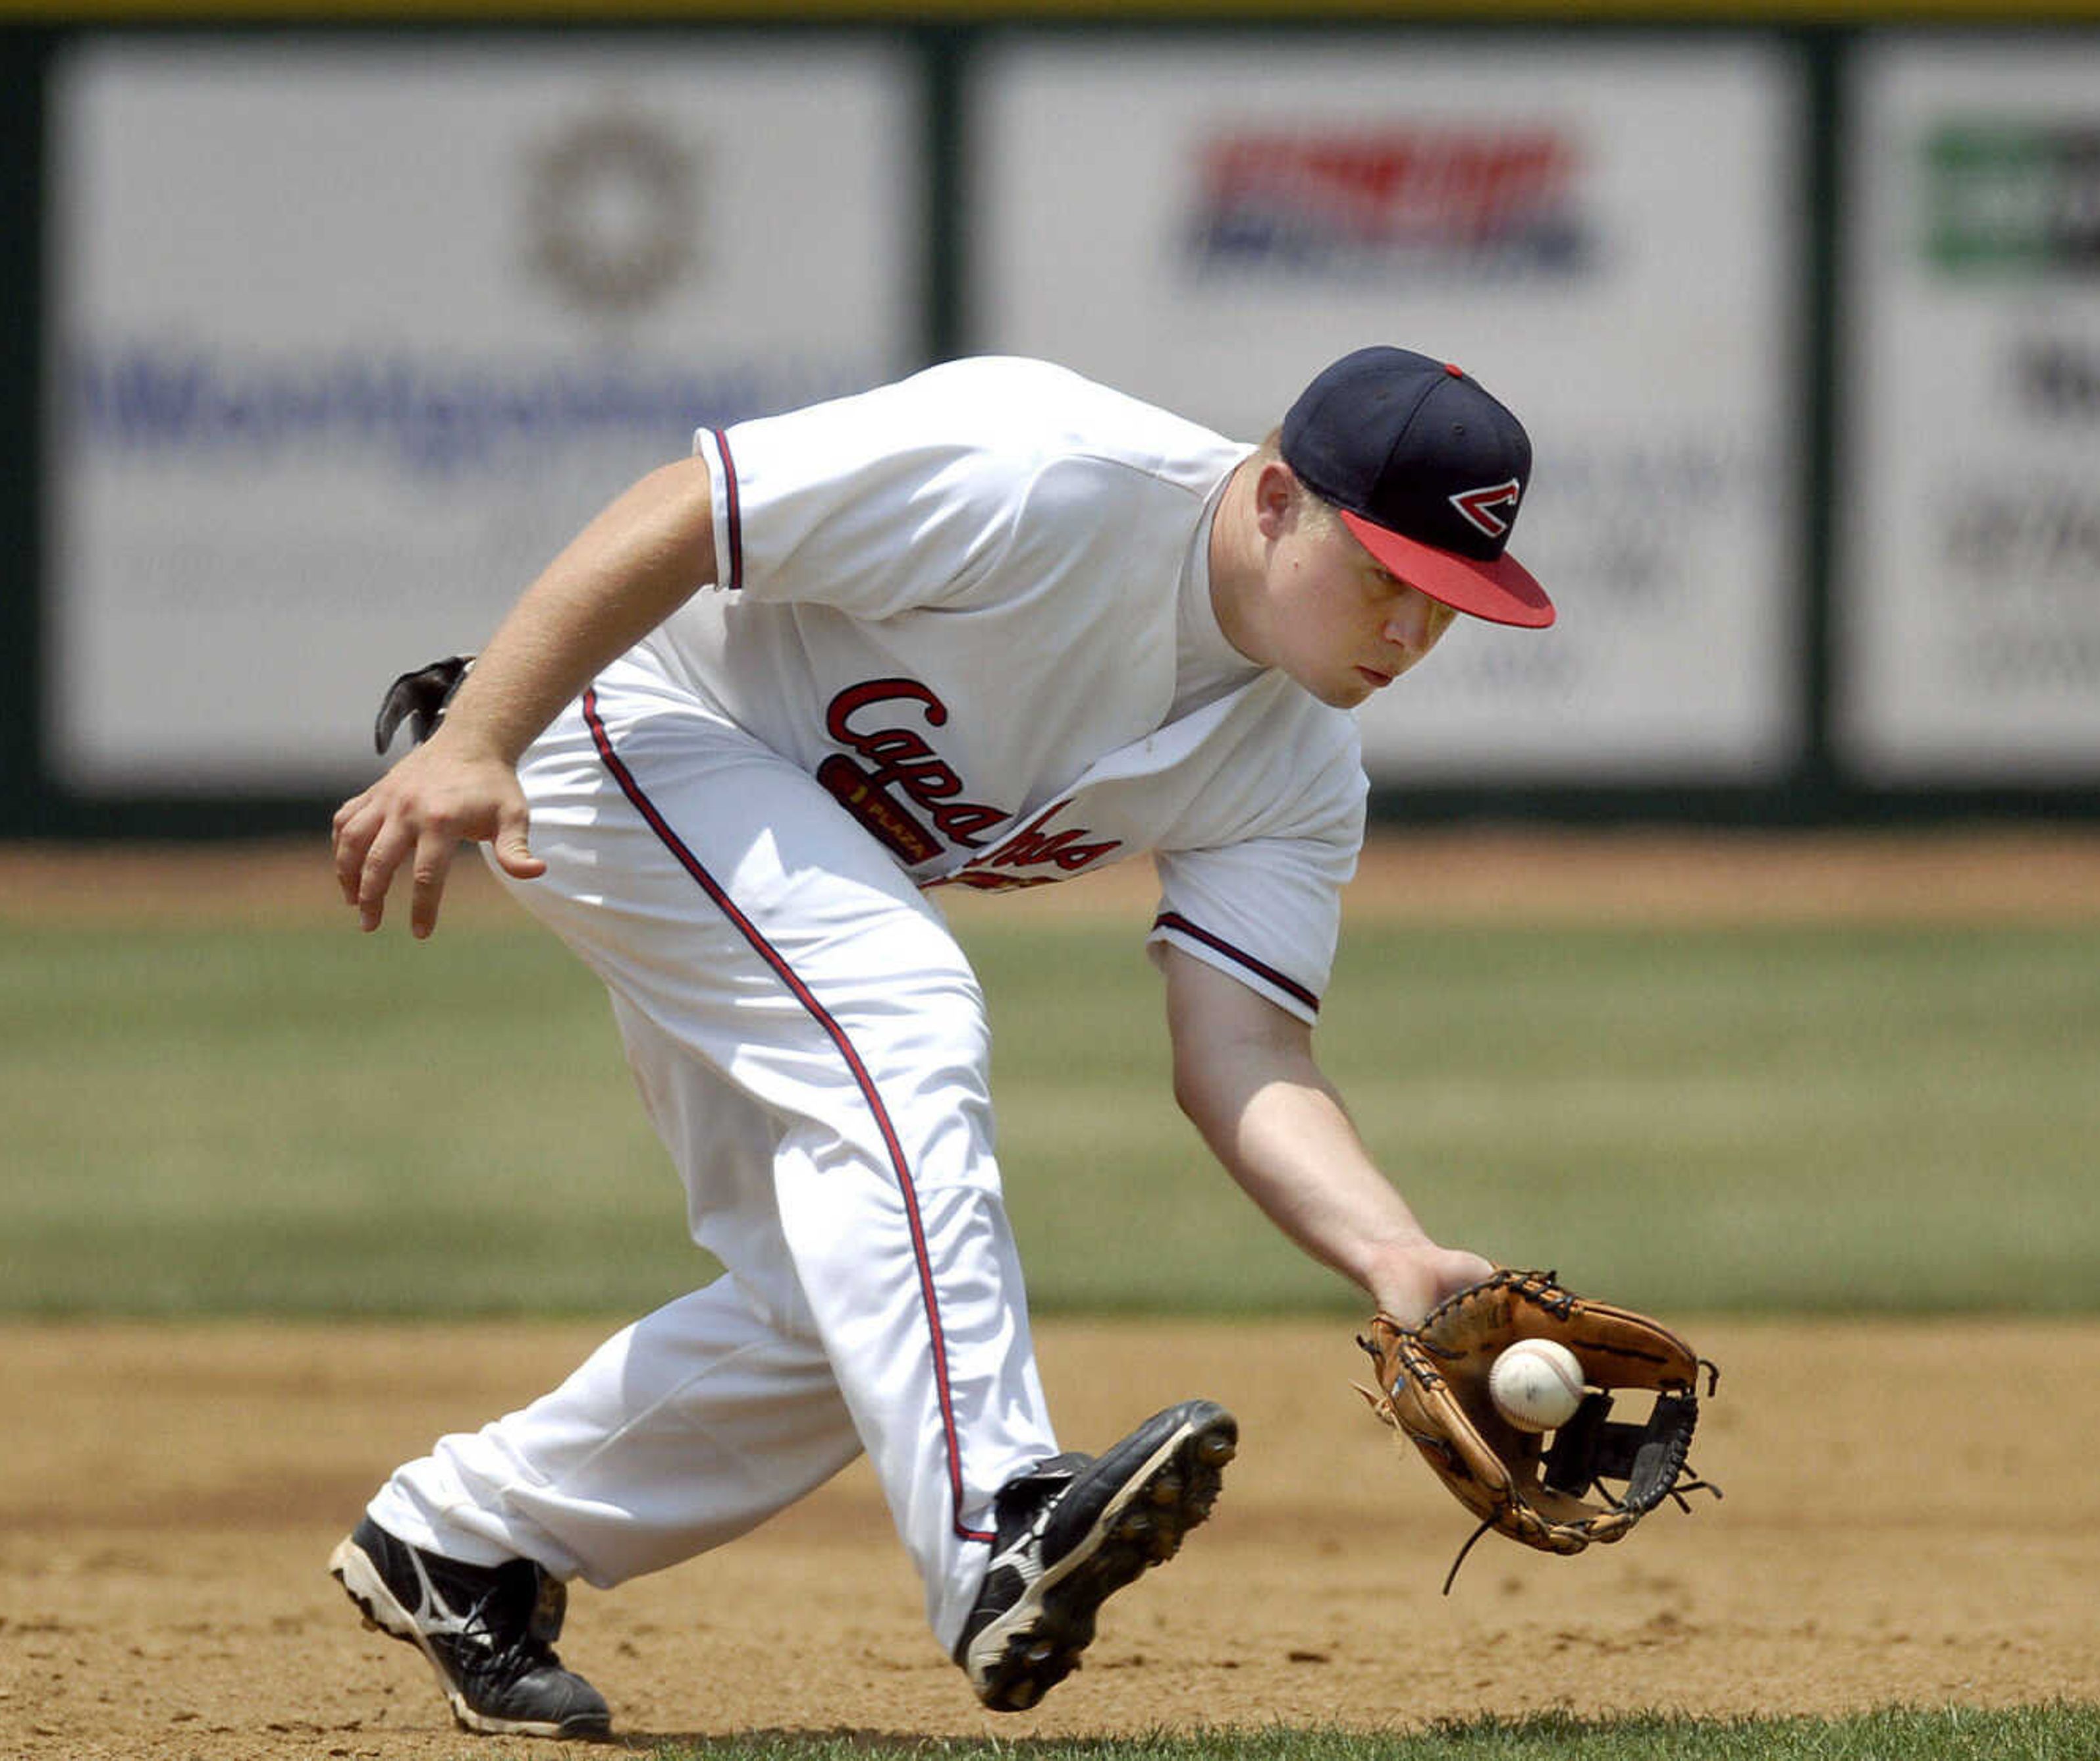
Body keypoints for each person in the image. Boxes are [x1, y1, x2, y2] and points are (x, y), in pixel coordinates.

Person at [325, 346, 1548, 1739]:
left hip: (777, 832)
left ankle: (460, 1536)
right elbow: (687, 508)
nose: (1409, 632)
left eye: (1447, 603)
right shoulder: (1041, 470)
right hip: (633, 726)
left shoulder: (1299, 764)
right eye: (1388, 574)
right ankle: (996, 1525)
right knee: (904, 1004)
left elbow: (1246, 1051)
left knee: (839, 1301)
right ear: (1276, 499)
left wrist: (1392, 1250)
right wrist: (480, 735)